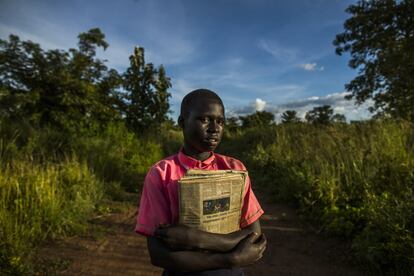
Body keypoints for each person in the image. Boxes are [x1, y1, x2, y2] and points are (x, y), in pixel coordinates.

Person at [135, 89, 267, 275]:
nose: (214, 128)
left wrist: (194, 238)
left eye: (220, 121)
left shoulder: (235, 169)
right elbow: (158, 255)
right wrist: (230, 258)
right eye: (204, 119)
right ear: (182, 122)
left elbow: (254, 235)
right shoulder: (162, 173)